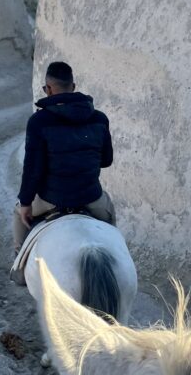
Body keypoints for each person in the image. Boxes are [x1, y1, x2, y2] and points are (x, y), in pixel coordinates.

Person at [13, 61, 116, 250]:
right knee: (110, 217)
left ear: (49, 89)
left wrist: (26, 203)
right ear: (73, 87)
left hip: (51, 198)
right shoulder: (99, 119)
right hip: (90, 197)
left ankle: (18, 269)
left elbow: (33, 169)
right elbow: (107, 161)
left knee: (17, 214)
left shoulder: (39, 122)